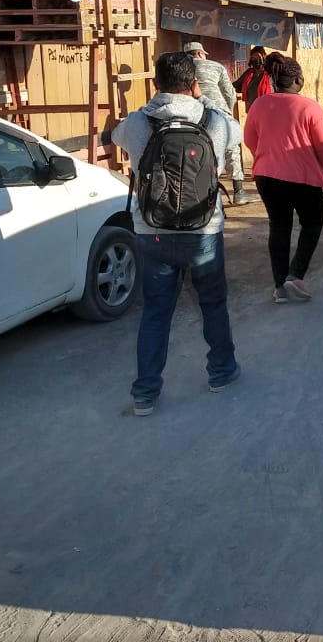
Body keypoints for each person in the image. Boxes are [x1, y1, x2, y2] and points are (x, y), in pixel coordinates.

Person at [111, 51, 241, 417]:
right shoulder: (212, 120)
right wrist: (204, 102)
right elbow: (238, 133)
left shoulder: (140, 123)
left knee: (156, 312)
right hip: (204, 231)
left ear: (156, 84)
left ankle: (145, 394)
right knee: (212, 304)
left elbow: (119, 136)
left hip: (153, 232)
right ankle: (221, 372)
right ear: (194, 83)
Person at [243, 53, 323, 304]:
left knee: (279, 227)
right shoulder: (309, 107)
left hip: (267, 176)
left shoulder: (259, 105)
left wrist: (265, 156)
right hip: (303, 178)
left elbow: (250, 139)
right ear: (297, 80)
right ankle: (295, 275)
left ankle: (280, 288)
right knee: (312, 224)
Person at [185, 40, 255, 206]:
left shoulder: (183, 68)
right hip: (218, 110)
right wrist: (228, 111)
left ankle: (203, 195)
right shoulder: (215, 66)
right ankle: (239, 191)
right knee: (232, 148)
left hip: (192, 113)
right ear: (201, 53)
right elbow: (229, 93)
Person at [234, 46, 274, 111]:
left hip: (268, 110)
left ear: (263, 57)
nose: (255, 60)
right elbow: (236, 86)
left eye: (258, 57)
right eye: (253, 58)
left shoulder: (270, 73)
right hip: (251, 111)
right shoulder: (248, 74)